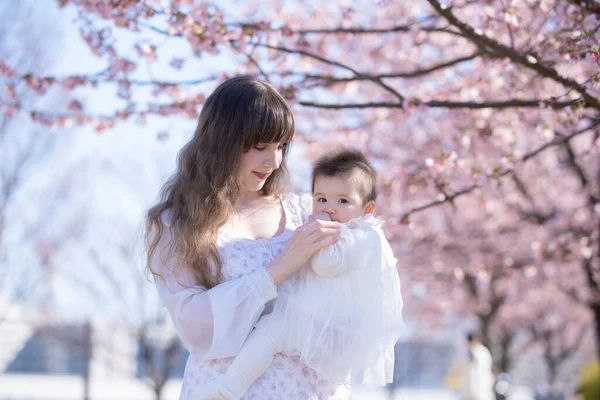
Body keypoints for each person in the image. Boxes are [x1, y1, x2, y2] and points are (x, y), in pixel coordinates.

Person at [145, 76, 346, 399]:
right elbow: (196, 329)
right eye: (260, 147)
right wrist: (278, 268)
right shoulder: (176, 222)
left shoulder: (299, 212)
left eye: (281, 146)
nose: (274, 161)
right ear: (223, 141)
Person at [194, 148, 404, 400]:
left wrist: (312, 239)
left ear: (367, 209)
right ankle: (230, 386)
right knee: (268, 332)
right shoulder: (336, 229)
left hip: (328, 325)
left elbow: (327, 266)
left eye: (343, 201)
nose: (330, 208)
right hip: (312, 314)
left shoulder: (361, 236)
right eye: (321, 199)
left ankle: (230, 385)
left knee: (271, 333)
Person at [464, 333, 495, 400]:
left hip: (482, 383)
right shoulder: (471, 351)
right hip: (474, 386)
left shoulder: (481, 351)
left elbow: (484, 370)